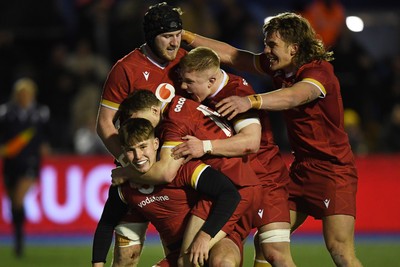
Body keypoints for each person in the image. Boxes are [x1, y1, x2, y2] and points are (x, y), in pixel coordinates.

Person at [181, 12, 363, 267]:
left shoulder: (319, 72)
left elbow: (294, 97)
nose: (265, 50)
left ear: (294, 48)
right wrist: (187, 37)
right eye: (266, 43)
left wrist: (251, 100)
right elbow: (233, 55)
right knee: (269, 244)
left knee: (340, 250)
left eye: (272, 44)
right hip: (300, 170)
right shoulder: (282, 68)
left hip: (333, 171)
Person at [170, 46, 295, 267]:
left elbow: (250, 141)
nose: (183, 87)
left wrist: (204, 147)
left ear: (210, 81)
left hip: (265, 180)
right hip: (232, 185)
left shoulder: (235, 94)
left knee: (276, 255)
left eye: (189, 82)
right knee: (218, 261)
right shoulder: (203, 92)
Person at [111, 89, 263, 267]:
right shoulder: (181, 108)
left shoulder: (174, 123)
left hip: (236, 188)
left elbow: (166, 173)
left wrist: (127, 172)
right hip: (225, 188)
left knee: (187, 259)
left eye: (140, 119)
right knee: (217, 260)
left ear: (154, 110)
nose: (141, 125)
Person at [93, 2, 187, 265]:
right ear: (150, 36)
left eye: (178, 35)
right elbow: (104, 124)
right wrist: (130, 162)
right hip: (137, 173)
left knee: (180, 256)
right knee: (127, 257)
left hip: (173, 172)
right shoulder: (125, 69)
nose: (174, 42)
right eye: (167, 36)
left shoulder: (186, 63)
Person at [95, 116, 242, 266]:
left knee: (222, 263)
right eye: (131, 150)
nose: (138, 156)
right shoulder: (124, 185)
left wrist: (205, 237)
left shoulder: (180, 167)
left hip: (215, 240)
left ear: (156, 144)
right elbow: (106, 224)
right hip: (178, 256)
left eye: (143, 147)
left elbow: (230, 194)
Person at [0, 77, 51, 257]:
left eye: (27, 93)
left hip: (30, 161)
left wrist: (45, 146)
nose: (24, 97)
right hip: (10, 163)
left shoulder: (40, 113)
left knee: (19, 198)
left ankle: (19, 240)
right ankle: (17, 233)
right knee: (13, 201)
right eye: (21, 94)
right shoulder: (6, 113)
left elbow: (46, 136)